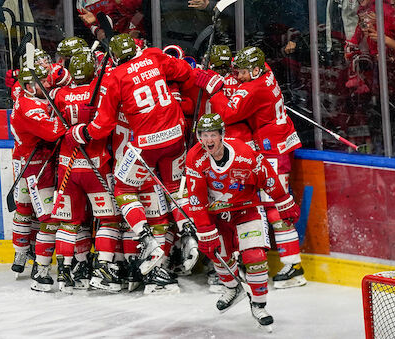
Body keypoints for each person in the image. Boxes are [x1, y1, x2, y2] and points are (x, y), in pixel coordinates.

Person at [64, 34, 195, 282]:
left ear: (114, 57)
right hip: (177, 136)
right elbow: (185, 71)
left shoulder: (115, 77)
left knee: (123, 189)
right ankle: (188, 234)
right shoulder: (154, 56)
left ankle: (146, 240)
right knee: (176, 189)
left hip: (147, 143)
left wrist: (81, 133)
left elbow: (103, 125)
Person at [195, 46, 306, 289]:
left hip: (272, 149)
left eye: (243, 72)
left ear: (255, 70)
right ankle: (288, 262)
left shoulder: (254, 87)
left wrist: (215, 88)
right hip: (277, 142)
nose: (239, 76)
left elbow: (228, 113)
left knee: (275, 205)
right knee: (271, 204)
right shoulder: (264, 70)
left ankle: (294, 266)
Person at [186, 113, 300, 330]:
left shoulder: (244, 153)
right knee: (218, 253)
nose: (208, 140)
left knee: (254, 256)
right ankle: (232, 288)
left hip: (246, 210)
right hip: (217, 215)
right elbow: (196, 199)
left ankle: (259, 305)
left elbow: (267, 176)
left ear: (222, 135)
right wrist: (204, 228)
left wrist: (283, 200)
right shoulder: (195, 158)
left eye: (213, 135)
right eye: (204, 135)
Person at [51, 52, 122, 293]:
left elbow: (55, 128)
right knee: (108, 218)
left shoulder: (59, 94)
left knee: (69, 223)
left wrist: (71, 131)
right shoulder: (99, 88)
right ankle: (102, 268)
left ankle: (65, 272)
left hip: (67, 166)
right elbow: (105, 124)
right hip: (95, 165)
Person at [9, 63, 66, 292]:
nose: (47, 85)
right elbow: (54, 132)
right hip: (36, 169)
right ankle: (41, 270)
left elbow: (13, 82)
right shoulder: (30, 106)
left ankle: (20, 255)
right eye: (41, 82)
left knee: (24, 211)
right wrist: (66, 118)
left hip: (23, 161)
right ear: (30, 86)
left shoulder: (20, 92)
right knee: (48, 219)